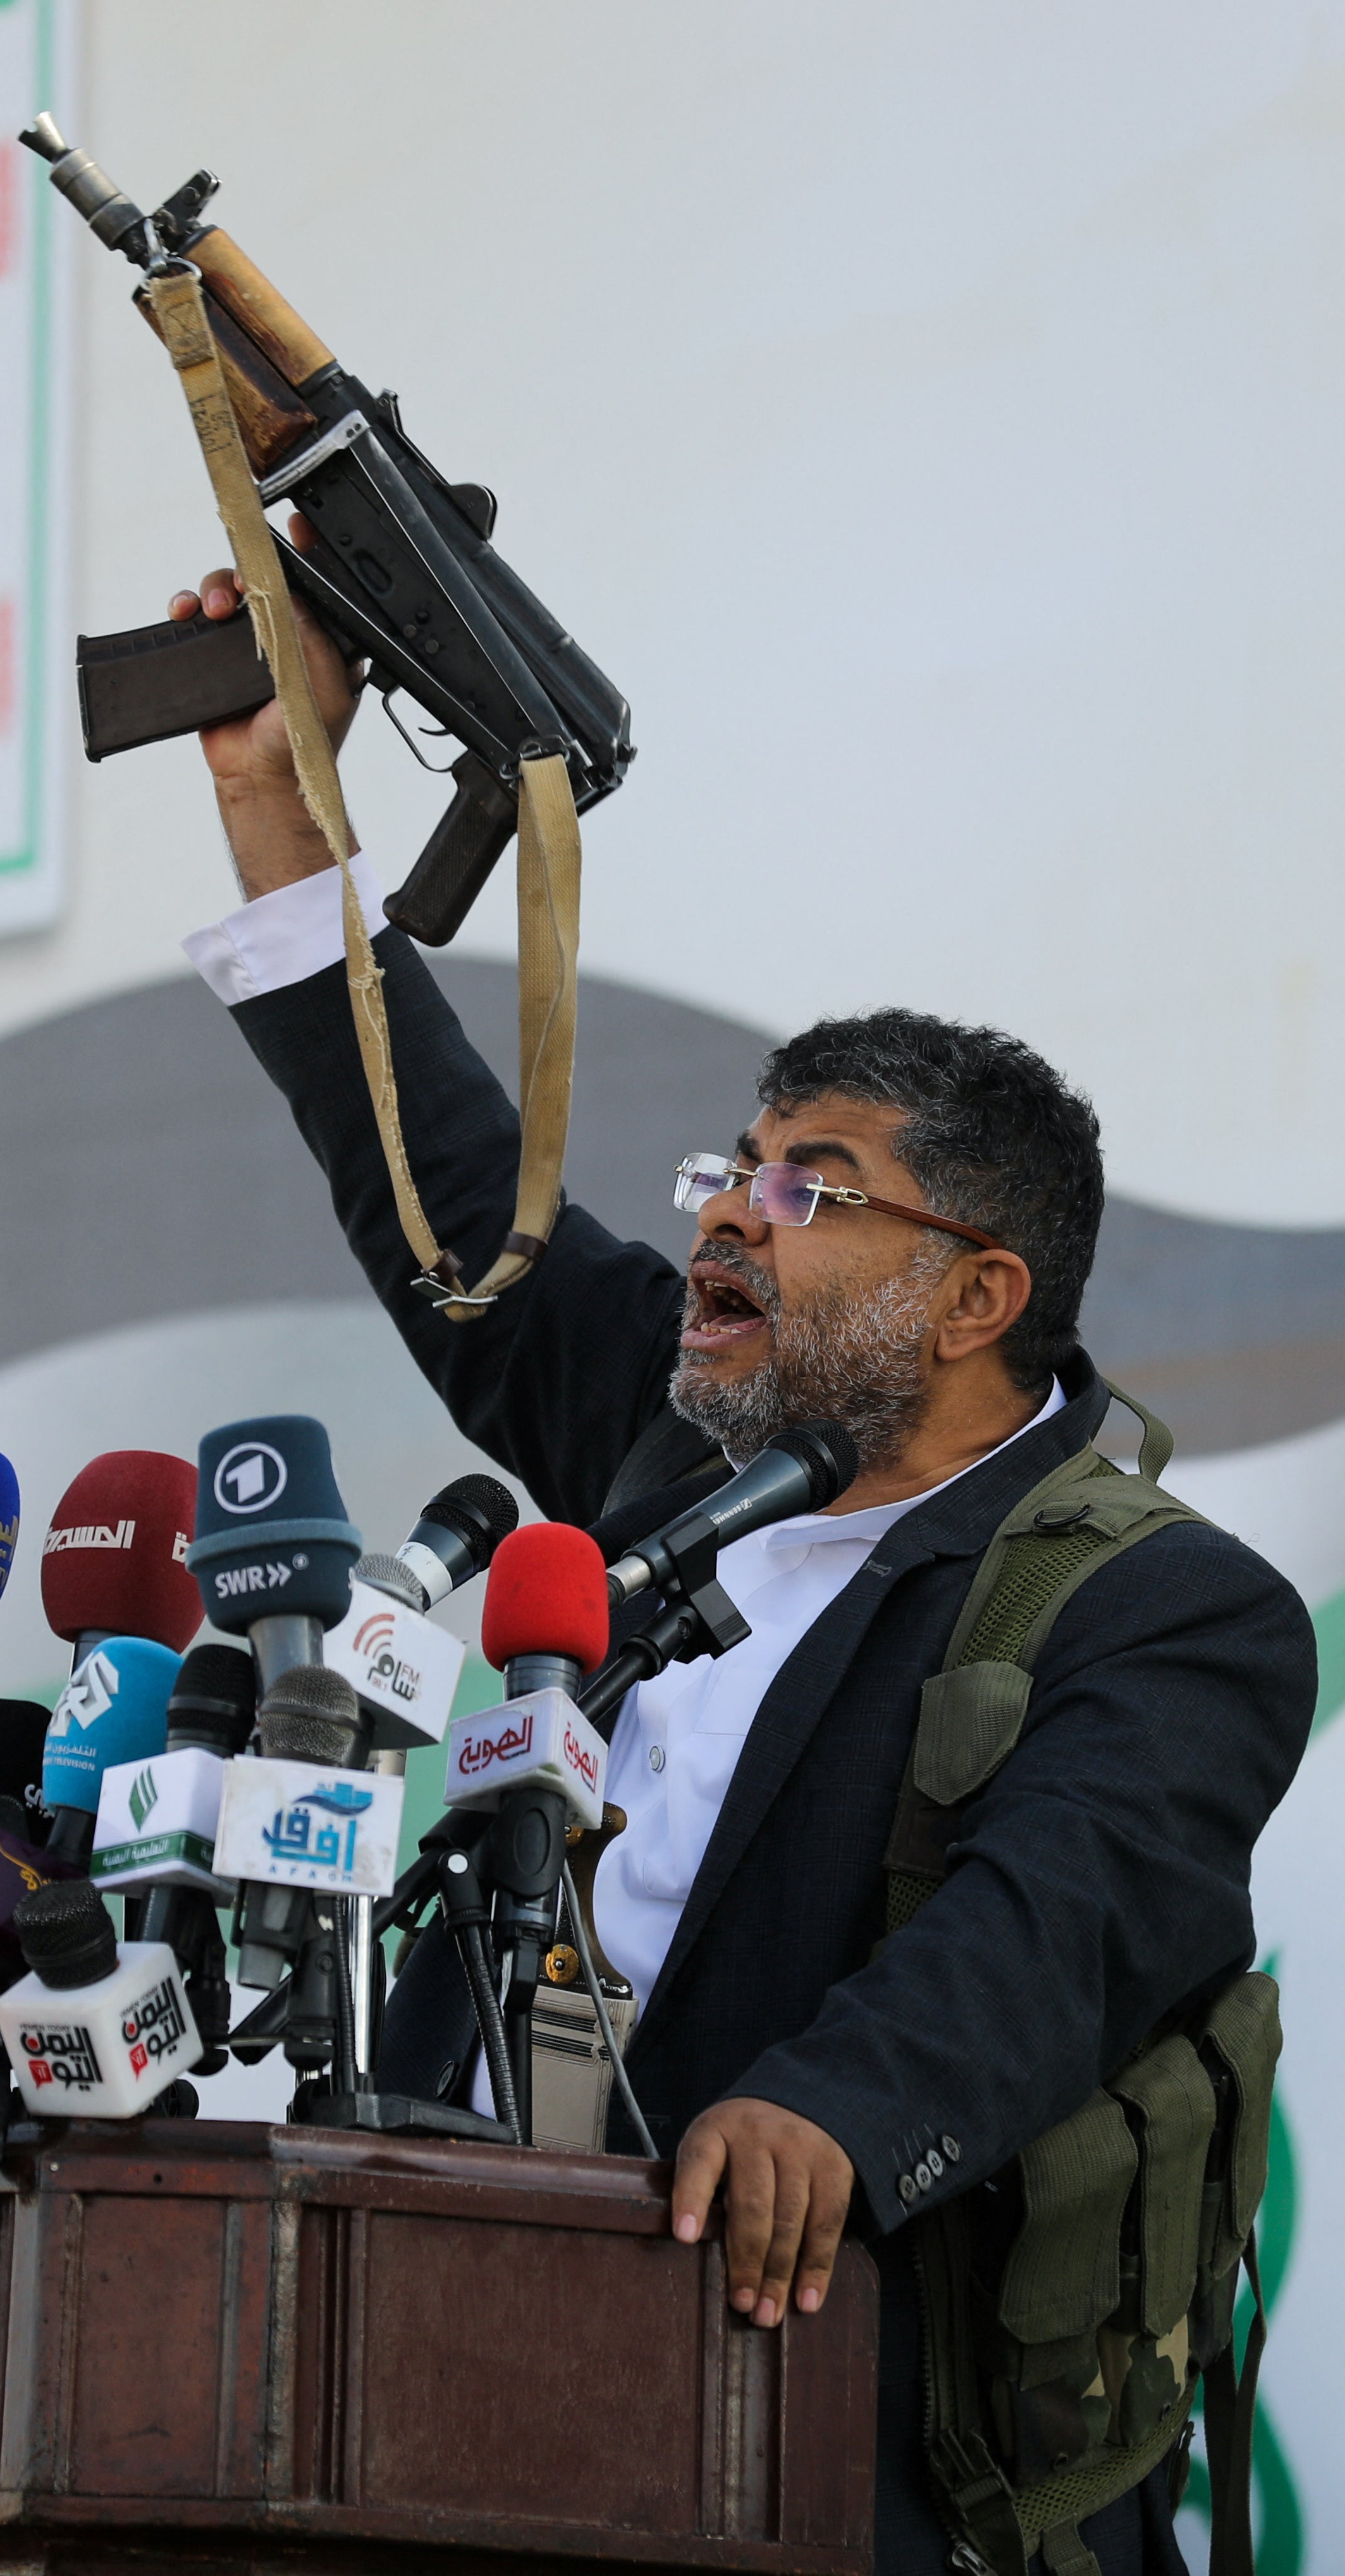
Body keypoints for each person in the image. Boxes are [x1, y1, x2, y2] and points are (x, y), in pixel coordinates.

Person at [167, 545, 1315, 2576]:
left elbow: (1044, 1940)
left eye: (809, 1191)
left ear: (975, 1297)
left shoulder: (1163, 1609)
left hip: (873, 2470)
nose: (724, 1223)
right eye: (728, 1169)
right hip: (481, 2404)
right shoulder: (655, 1439)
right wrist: (275, 789)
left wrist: (831, 2115)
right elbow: (433, 1164)